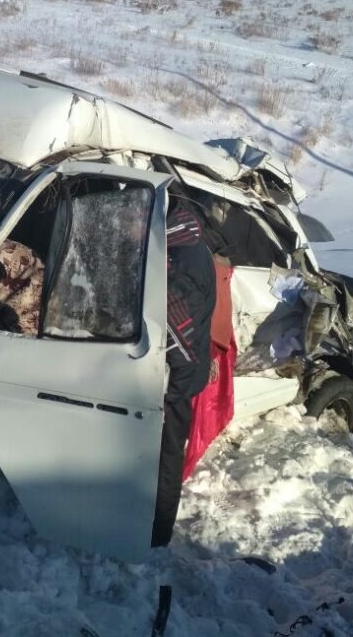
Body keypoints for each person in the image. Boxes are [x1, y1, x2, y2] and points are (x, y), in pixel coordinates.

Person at [152, 198, 216, 547]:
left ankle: (156, 534)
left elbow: (181, 334)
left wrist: (169, 392)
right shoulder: (190, 244)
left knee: (166, 457)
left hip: (179, 376)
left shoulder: (181, 261)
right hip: (184, 370)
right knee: (163, 453)